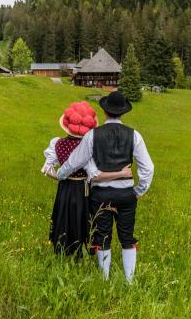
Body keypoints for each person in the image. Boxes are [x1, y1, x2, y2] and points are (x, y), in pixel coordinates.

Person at [56, 91, 154, 282]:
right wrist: (138, 191)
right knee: (127, 237)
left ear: (105, 111)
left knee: (102, 236)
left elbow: (74, 162)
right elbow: (148, 168)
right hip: (126, 194)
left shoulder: (93, 135)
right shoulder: (134, 135)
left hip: (101, 195)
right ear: (123, 113)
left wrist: (60, 174)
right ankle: (130, 281)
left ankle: (104, 279)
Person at [41, 101, 133, 257]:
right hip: (84, 188)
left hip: (64, 188)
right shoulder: (89, 147)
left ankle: (63, 250)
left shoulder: (57, 143)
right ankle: (82, 251)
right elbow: (95, 174)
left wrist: (60, 177)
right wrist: (122, 174)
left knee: (65, 216)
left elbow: (46, 168)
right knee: (84, 218)